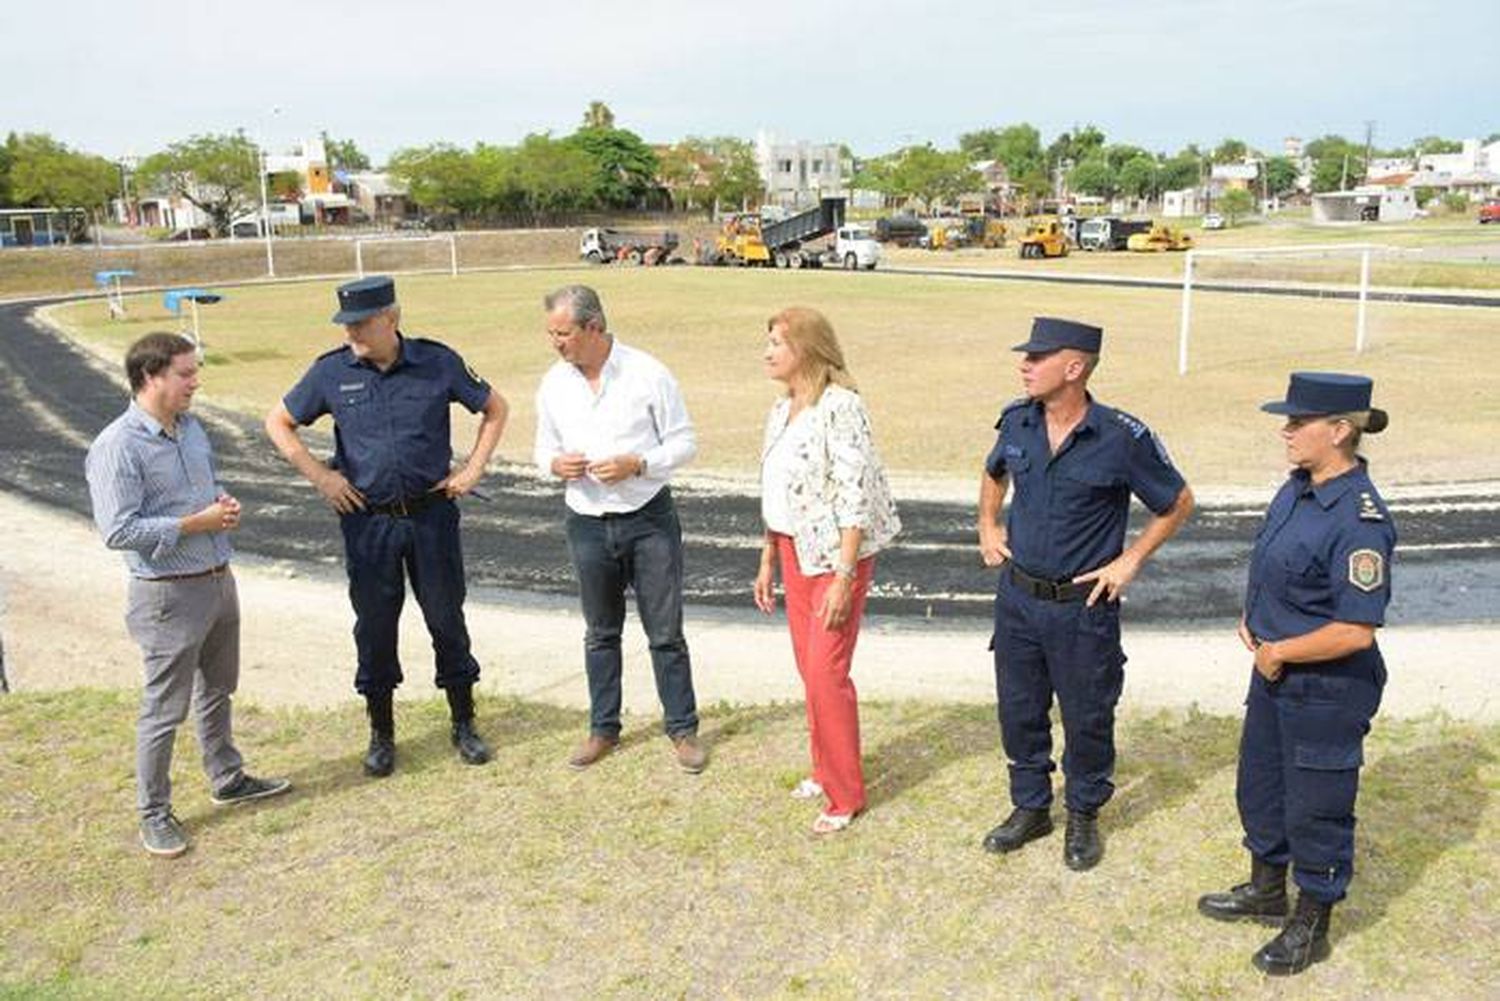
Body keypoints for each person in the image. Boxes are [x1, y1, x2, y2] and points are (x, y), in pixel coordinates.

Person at [264, 276, 508, 777]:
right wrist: (322, 478)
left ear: (391, 320)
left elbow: (494, 407)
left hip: (431, 516)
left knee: (446, 619)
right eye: (346, 323)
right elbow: (278, 422)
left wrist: (473, 470)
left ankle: (464, 725)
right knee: (374, 628)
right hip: (367, 523)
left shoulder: (437, 362)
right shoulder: (331, 372)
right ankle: (382, 734)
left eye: (360, 323)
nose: (351, 332)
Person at [977, 316, 1194, 870]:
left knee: (1087, 715)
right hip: (1019, 600)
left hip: (1083, 610)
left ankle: (1083, 816)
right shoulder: (1018, 421)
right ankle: (1030, 808)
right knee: (1019, 711)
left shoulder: (1122, 437)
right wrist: (987, 524)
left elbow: (1177, 502)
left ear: (1073, 368)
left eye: (1037, 357)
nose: (1024, 365)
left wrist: (1130, 560)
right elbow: (995, 472)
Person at [1197, 373, 1395, 976]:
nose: (1285, 431)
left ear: (1339, 431)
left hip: (1325, 687)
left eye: (1297, 422)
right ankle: (1265, 889)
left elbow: (1356, 631)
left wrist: (1281, 651)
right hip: (1275, 670)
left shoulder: (1360, 520)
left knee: (1317, 802)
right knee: (1261, 787)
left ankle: (1312, 919)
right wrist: (1254, 619)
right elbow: (1280, 570)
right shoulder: (1297, 489)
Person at [86, 332, 290, 858]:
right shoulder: (117, 446)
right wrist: (193, 523)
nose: (195, 382)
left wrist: (221, 505)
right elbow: (117, 531)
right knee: (163, 710)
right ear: (151, 376)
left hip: (218, 581)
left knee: (218, 689)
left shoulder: (192, 430)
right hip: (166, 597)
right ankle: (153, 814)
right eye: (185, 373)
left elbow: (204, 493)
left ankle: (227, 778)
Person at [534, 284, 705, 773]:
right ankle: (602, 730)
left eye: (563, 333)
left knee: (665, 632)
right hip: (586, 523)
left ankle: (683, 730)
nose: (556, 343)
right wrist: (555, 464)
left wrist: (639, 463)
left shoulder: (648, 373)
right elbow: (541, 448)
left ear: (594, 328)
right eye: (551, 334)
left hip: (649, 518)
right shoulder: (553, 384)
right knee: (600, 633)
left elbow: (685, 443)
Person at [752, 307, 901, 835]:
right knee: (807, 669)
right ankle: (824, 769)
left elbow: (854, 492)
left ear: (808, 349)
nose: (767, 351)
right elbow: (776, 489)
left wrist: (844, 575)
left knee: (825, 672)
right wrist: (768, 556)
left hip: (836, 556)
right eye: (766, 341)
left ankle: (845, 795)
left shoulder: (840, 407)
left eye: (777, 342)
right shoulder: (782, 407)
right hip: (793, 549)